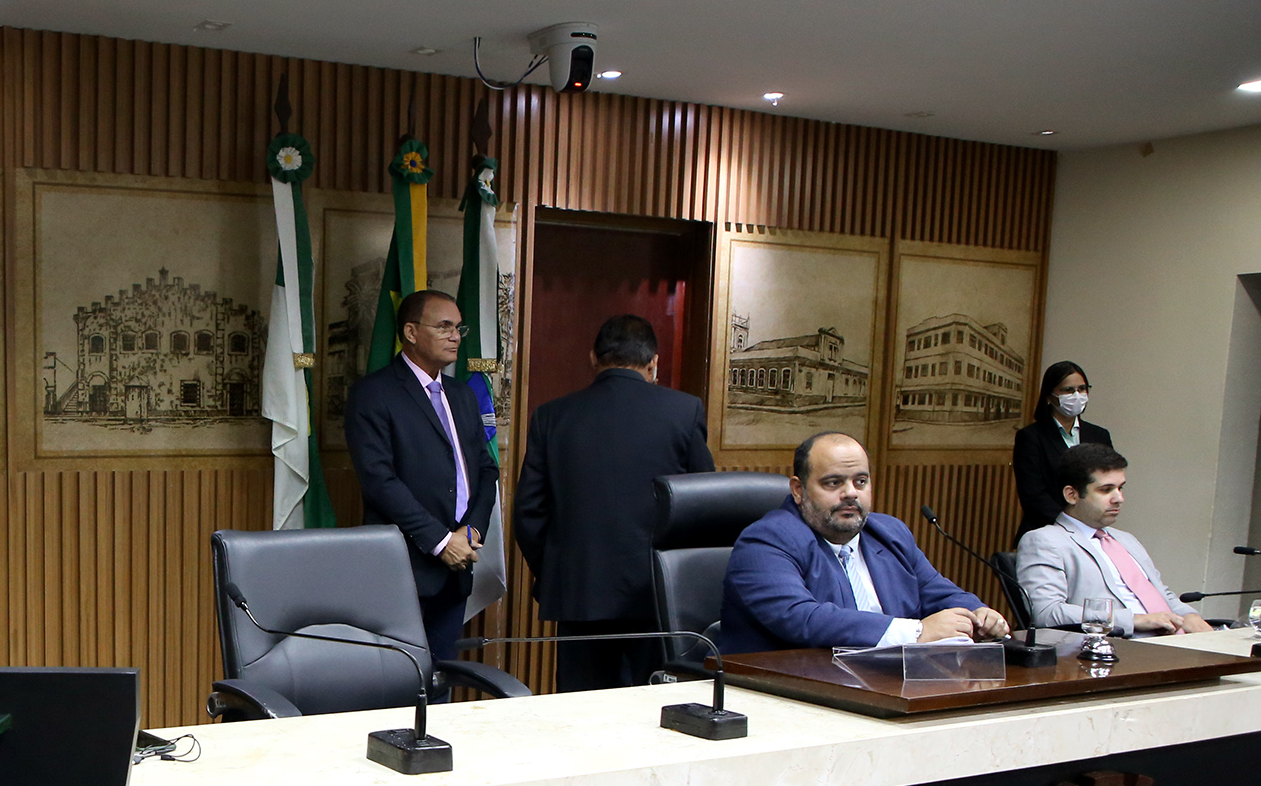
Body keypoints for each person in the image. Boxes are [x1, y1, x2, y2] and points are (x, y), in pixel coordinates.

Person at [513, 313, 714, 690]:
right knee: (652, 707)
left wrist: (560, 568)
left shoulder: (552, 416)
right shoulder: (684, 410)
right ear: (654, 362)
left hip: (580, 592)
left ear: (593, 358)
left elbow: (529, 513)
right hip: (658, 596)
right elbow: (702, 506)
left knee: (584, 708)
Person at [720, 431, 1009, 654]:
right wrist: (918, 632)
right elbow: (803, 618)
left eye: (860, 481)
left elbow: (937, 591)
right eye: (833, 483)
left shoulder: (889, 532)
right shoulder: (766, 542)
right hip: (786, 692)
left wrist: (979, 615)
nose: (851, 493)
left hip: (887, 683)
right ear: (798, 489)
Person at [344, 289, 499, 669]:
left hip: (459, 564)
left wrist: (472, 531)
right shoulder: (374, 393)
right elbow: (379, 480)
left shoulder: (462, 395)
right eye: (444, 326)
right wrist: (441, 541)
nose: (455, 336)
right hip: (404, 564)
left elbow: (486, 469)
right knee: (398, 680)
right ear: (411, 332)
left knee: (443, 678)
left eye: (458, 327)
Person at [1015, 444, 1210, 637]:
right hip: (1118, 646)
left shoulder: (1126, 539)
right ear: (1072, 495)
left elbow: (1161, 594)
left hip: (1175, 640)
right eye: (1106, 490)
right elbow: (1046, 613)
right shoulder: (1045, 541)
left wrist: (1189, 616)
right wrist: (1133, 620)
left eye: (1120, 488)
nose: (1119, 498)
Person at [1012, 361, 1113, 537]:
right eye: (1068, 390)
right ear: (1049, 396)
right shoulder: (1031, 437)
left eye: (1082, 389)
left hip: (1091, 530)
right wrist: (1071, 524)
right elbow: (1033, 494)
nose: (1077, 395)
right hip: (1046, 531)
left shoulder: (1099, 435)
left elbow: (1108, 482)